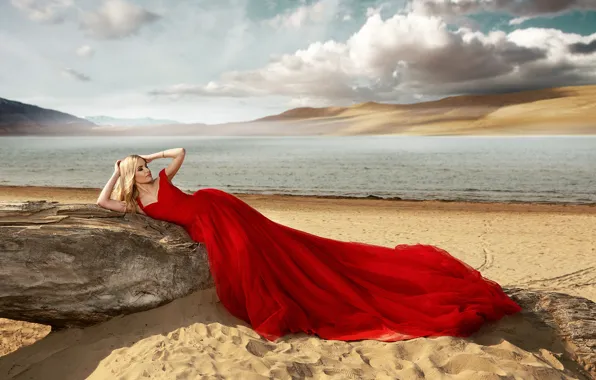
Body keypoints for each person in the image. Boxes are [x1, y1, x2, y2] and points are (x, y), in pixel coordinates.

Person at [97, 148, 522, 342]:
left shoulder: (163, 177)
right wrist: (117, 171)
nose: (146, 175)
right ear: (131, 179)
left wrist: (148, 156)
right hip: (208, 228)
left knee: (266, 250)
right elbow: (101, 201)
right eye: (139, 172)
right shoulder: (135, 203)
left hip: (220, 210)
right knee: (253, 261)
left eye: (144, 169)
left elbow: (181, 149)